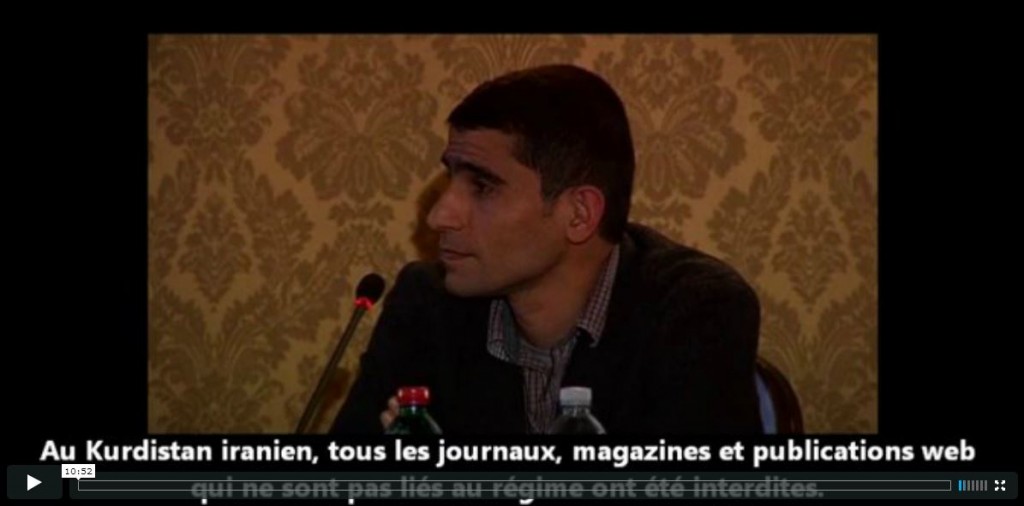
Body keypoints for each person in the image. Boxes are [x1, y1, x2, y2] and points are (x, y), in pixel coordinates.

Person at [331, 64, 761, 435]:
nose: (439, 215)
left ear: (579, 214)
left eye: (482, 186)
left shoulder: (695, 307)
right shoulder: (427, 302)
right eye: (451, 178)